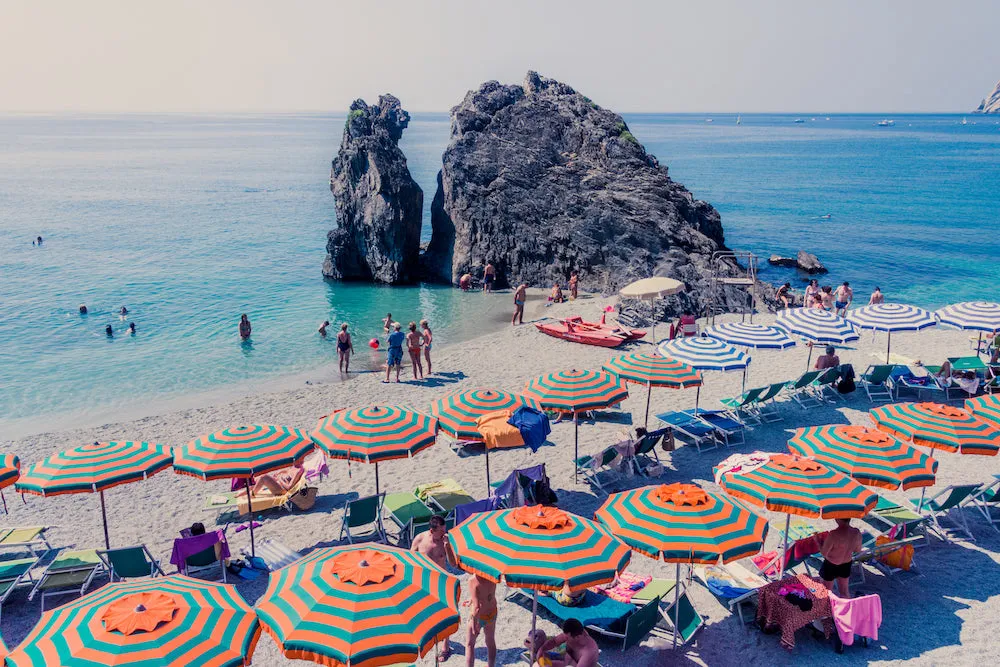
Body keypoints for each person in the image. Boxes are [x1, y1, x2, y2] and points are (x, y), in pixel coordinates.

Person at [411, 516, 456, 660]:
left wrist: (447, 546)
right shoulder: (420, 539)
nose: (444, 533)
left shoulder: (446, 541)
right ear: (431, 530)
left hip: (441, 581)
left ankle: (446, 646)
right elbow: (410, 559)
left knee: (444, 614)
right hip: (424, 581)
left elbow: (453, 564)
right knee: (424, 612)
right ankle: (429, 637)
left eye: (445, 529)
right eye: (441, 531)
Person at [819, 518, 863, 597]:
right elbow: (858, 550)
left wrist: (818, 541)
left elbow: (824, 553)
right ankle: (847, 608)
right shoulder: (856, 532)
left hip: (831, 564)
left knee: (826, 593)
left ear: (838, 519)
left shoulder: (833, 534)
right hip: (846, 564)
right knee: (844, 592)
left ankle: (827, 609)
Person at [533, 619, 599, 667]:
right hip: (566, 663)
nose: (565, 638)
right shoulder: (573, 633)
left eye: (567, 637)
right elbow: (554, 641)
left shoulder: (589, 653)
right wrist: (542, 650)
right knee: (537, 665)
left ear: (577, 637)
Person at [466, 574, 497, 667]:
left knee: (470, 645)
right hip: (492, 613)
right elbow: (487, 595)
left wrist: (474, 624)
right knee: (490, 641)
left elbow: (477, 608)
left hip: (479, 617)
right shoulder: (493, 575)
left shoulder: (473, 580)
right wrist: (472, 599)